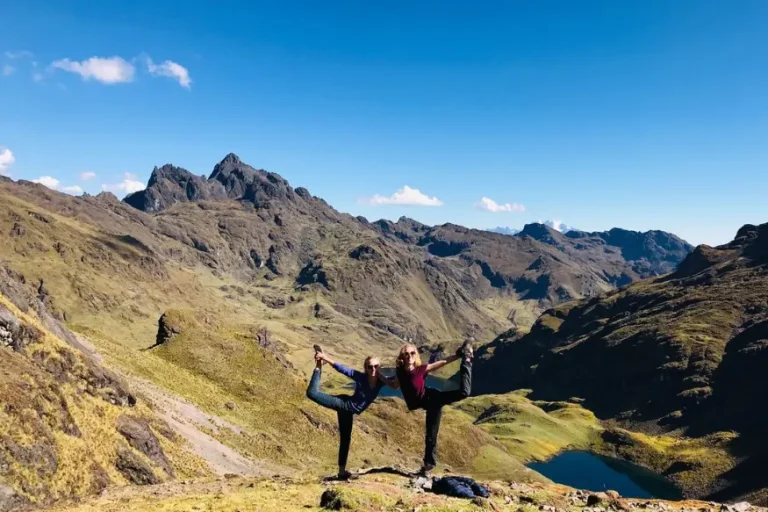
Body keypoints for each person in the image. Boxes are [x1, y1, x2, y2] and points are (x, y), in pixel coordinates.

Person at [306, 344, 395, 479]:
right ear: (365, 368)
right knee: (311, 393)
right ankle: (318, 366)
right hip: (343, 404)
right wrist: (325, 358)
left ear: (380, 367)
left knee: (345, 439)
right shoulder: (361, 377)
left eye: (376, 366)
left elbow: (397, 382)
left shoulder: (381, 382)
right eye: (370, 367)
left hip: (348, 412)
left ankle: (342, 472)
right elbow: (343, 369)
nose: (373, 369)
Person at [391, 338, 474, 475]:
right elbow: (394, 385)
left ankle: (467, 358)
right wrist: (377, 376)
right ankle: (427, 467)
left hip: (433, 399)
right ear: (402, 357)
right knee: (430, 435)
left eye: (412, 353)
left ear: (415, 355)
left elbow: (441, 363)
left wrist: (458, 356)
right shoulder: (400, 372)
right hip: (426, 403)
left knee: (464, 392)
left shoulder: (421, 369)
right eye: (406, 354)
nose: (409, 356)